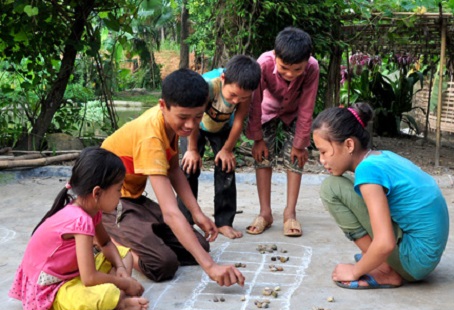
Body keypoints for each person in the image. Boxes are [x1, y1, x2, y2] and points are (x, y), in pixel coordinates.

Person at [101, 68, 245, 287]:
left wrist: (196, 213)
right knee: (162, 264)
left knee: (198, 246)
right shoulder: (150, 135)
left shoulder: (171, 125)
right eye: (183, 117)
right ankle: (105, 242)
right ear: (162, 106)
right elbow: (170, 212)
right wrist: (210, 267)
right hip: (109, 204)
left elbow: (174, 170)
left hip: (133, 198)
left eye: (198, 117)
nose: (190, 125)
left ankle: (136, 230)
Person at [312, 103, 449, 289]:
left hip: (415, 261)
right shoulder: (381, 157)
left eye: (324, 152)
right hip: (425, 255)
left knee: (332, 187)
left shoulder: (367, 171)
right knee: (343, 186)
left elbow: (385, 243)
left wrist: (355, 271)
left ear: (349, 144)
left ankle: (385, 270)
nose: (322, 160)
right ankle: (379, 261)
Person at [9, 147, 149, 310]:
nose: (120, 195)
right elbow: (89, 278)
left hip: (73, 273)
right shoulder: (80, 221)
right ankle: (119, 303)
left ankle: (116, 296)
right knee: (104, 293)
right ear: (97, 192)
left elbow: (105, 243)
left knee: (124, 255)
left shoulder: (91, 211)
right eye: (118, 189)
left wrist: (120, 268)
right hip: (51, 289)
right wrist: (124, 282)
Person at [245, 27, 320, 237]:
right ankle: (265, 213)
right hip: (267, 110)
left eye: (298, 70)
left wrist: (300, 143)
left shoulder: (313, 68)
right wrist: (257, 138)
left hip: (296, 112)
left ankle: (290, 213)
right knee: (263, 156)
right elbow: (254, 103)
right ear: (275, 56)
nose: (290, 74)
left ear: (307, 61)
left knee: (295, 157)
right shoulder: (263, 63)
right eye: (285, 68)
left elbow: (307, 105)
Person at [178, 55, 261, 239]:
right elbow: (192, 117)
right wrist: (191, 150)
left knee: (226, 167)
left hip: (222, 128)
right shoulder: (207, 85)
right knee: (188, 169)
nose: (236, 101)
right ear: (223, 79)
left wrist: (227, 150)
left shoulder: (244, 93)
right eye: (232, 95)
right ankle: (185, 220)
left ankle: (224, 222)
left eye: (242, 98)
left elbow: (239, 121)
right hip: (195, 127)